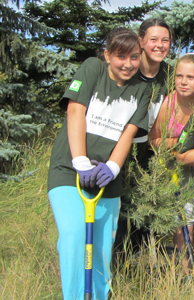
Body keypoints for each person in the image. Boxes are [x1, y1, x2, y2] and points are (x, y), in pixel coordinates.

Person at [47, 28, 150, 300]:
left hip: (107, 179)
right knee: (74, 234)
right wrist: (81, 162)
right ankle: (74, 296)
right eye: (121, 57)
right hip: (69, 171)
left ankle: (99, 296)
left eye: (134, 57)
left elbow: (128, 133)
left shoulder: (142, 89)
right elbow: (75, 110)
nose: (128, 64)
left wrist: (112, 168)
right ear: (107, 55)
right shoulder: (93, 68)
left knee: (103, 247)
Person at [114, 18, 173, 256]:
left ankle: (141, 266)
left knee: (147, 212)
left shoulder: (170, 75)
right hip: (120, 150)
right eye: (153, 40)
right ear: (141, 41)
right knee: (119, 213)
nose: (160, 45)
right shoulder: (129, 72)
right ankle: (116, 260)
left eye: (165, 40)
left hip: (153, 152)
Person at [149, 53, 194, 264]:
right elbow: (155, 139)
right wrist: (178, 144)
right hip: (175, 168)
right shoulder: (169, 103)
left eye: (191, 77)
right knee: (183, 218)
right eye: (179, 76)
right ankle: (184, 263)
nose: (183, 82)